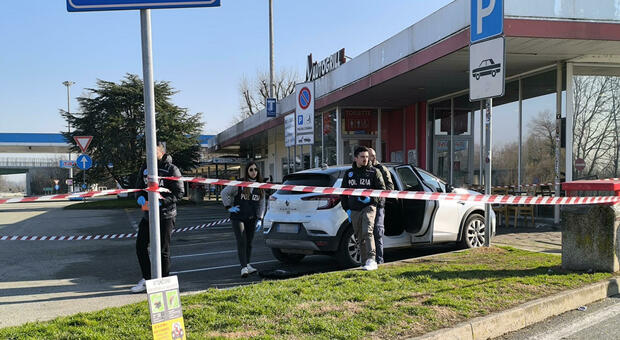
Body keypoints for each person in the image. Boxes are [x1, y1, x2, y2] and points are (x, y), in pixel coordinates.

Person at [131, 142, 184, 293]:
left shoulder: (172, 169)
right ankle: (147, 279)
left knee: (163, 250)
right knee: (140, 246)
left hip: (166, 215)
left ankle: (164, 282)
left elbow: (179, 193)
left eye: (153, 151)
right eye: (148, 151)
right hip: (148, 216)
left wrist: (161, 202)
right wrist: (140, 197)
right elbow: (139, 188)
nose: (150, 154)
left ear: (161, 151)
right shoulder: (144, 168)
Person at [340, 146, 386, 271]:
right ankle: (365, 262)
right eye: (362, 157)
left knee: (367, 231)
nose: (365, 159)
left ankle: (372, 259)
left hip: (369, 206)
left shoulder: (374, 172)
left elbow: (382, 191)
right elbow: (343, 192)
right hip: (354, 208)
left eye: (367, 157)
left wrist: (372, 200)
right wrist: (347, 209)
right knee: (359, 235)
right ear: (356, 158)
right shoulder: (349, 174)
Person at [221, 161, 266, 278]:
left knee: (249, 242)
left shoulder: (260, 186)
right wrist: (229, 207)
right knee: (242, 241)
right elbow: (224, 192)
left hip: (252, 218)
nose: (253, 172)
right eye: (251, 170)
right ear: (247, 171)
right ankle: (243, 267)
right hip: (238, 217)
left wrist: (260, 218)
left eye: (255, 170)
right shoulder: (239, 183)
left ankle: (248, 264)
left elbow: (262, 203)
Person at [368, 148, 394, 265]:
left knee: (377, 233)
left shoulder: (382, 169)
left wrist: (379, 196)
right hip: (364, 205)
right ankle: (368, 259)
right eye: (368, 156)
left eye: (372, 156)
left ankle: (379, 260)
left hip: (378, 205)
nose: (370, 158)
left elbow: (390, 187)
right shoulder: (362, 170)